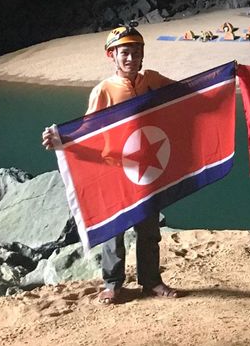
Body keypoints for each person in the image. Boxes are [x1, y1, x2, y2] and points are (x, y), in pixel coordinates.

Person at [42, 23, 180, 305]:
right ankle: (113, 284)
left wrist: (223, 79)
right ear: (112, 55)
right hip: (114, 170)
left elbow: (186, 94)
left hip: (147, 169)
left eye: (137, 52)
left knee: (149, 230)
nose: (132, 58)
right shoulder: (104, 90)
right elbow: (87, 129)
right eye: (125, 53)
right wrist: (60, 139)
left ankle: (151, 282)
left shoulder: (152, 80)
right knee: (114, 231)